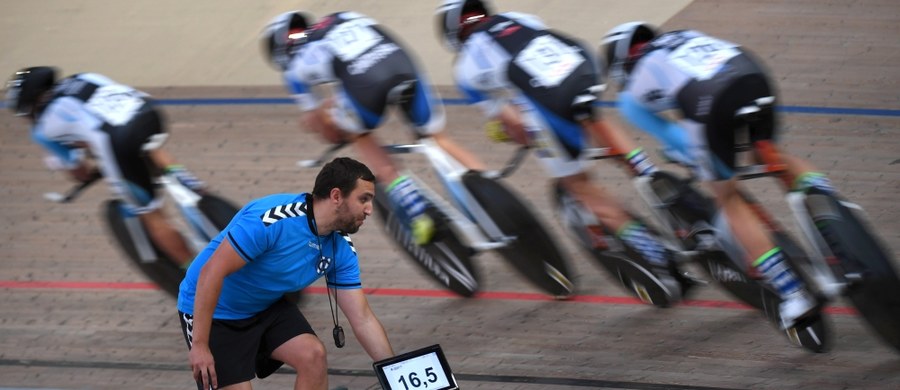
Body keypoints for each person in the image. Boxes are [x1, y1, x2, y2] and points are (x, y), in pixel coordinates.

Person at [434, 0, 685, 301]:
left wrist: (525, 136)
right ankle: (644, 169)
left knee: (580, 186)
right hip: (582, 69)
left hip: (552, 101)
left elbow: (515, 123)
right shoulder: (517, 17)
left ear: (451, 34)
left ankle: (660, 255)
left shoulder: (464, 70)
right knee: (592, 116)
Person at [599, 23, 834, 328]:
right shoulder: (683, 36)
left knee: (728, 197)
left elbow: (677, 138)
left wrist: (686, 157)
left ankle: (794, 294)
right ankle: (838, 222)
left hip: (712, 103)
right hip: (752, 77)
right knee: (770, 156)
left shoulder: (631, 96)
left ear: (620, 68)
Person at [260, 10, 486, 246]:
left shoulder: (293, 70)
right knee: (437, 138)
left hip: (366, 85)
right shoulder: (341, 17)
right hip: (403, 64)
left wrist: (332, 128)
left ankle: (418, 211)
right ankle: (490, 192)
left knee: (361, 136)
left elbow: (326, 129)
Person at [177, 157, 394, 390]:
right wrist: (199, 345)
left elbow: (362, 318)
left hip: (264, 304)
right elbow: (210, 272)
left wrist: (396, 372)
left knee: (313, 355)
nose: (370, 210)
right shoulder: (271, 220)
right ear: (336, 196)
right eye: (364, 199)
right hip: (215, 311)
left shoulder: (341, 247)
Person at [5, 67, 206, 268]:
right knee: (145, 145)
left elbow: (80, 171)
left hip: (118, 141)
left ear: (30, 105)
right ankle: (186, 180)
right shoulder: (84, 77)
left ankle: (196, 274)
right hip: (149, 114)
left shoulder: (43, 130)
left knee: (150, 214)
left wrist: (86, 170)